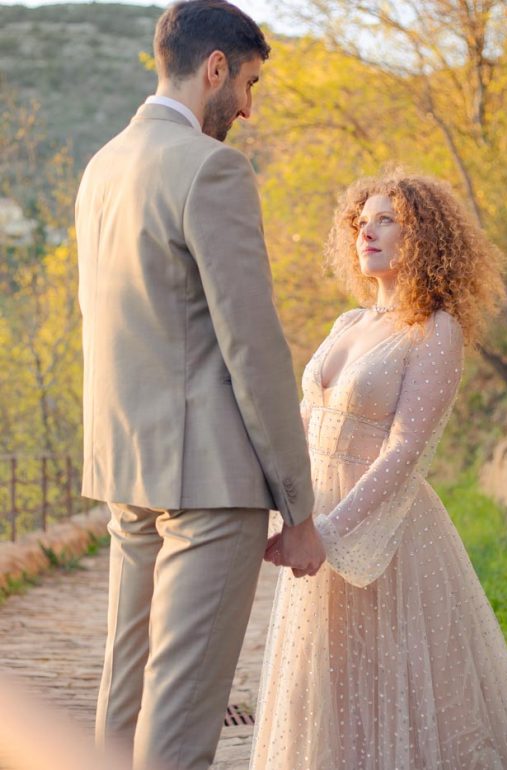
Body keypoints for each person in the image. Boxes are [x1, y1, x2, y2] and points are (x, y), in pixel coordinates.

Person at [75, 2, 325, 769]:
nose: (248, 106)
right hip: (208, 484)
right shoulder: (212, 168)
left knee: (124, 701)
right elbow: (253, 347)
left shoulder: (103, 167)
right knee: (182, 718)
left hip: (128, 469)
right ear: (214, 67)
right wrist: (300, 506)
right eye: (248, 83)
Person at [251, 170, 507, 769]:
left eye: (387, 219)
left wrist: (330, 533)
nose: (368, 231)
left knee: (390, 688)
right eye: (362, 221)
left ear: (425, 236)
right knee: (326, 686)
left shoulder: (436, 330)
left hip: (383, 535)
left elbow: (406, 448)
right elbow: (301, 430)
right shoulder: (347, 324)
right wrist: (280, 513)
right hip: (314, 521)